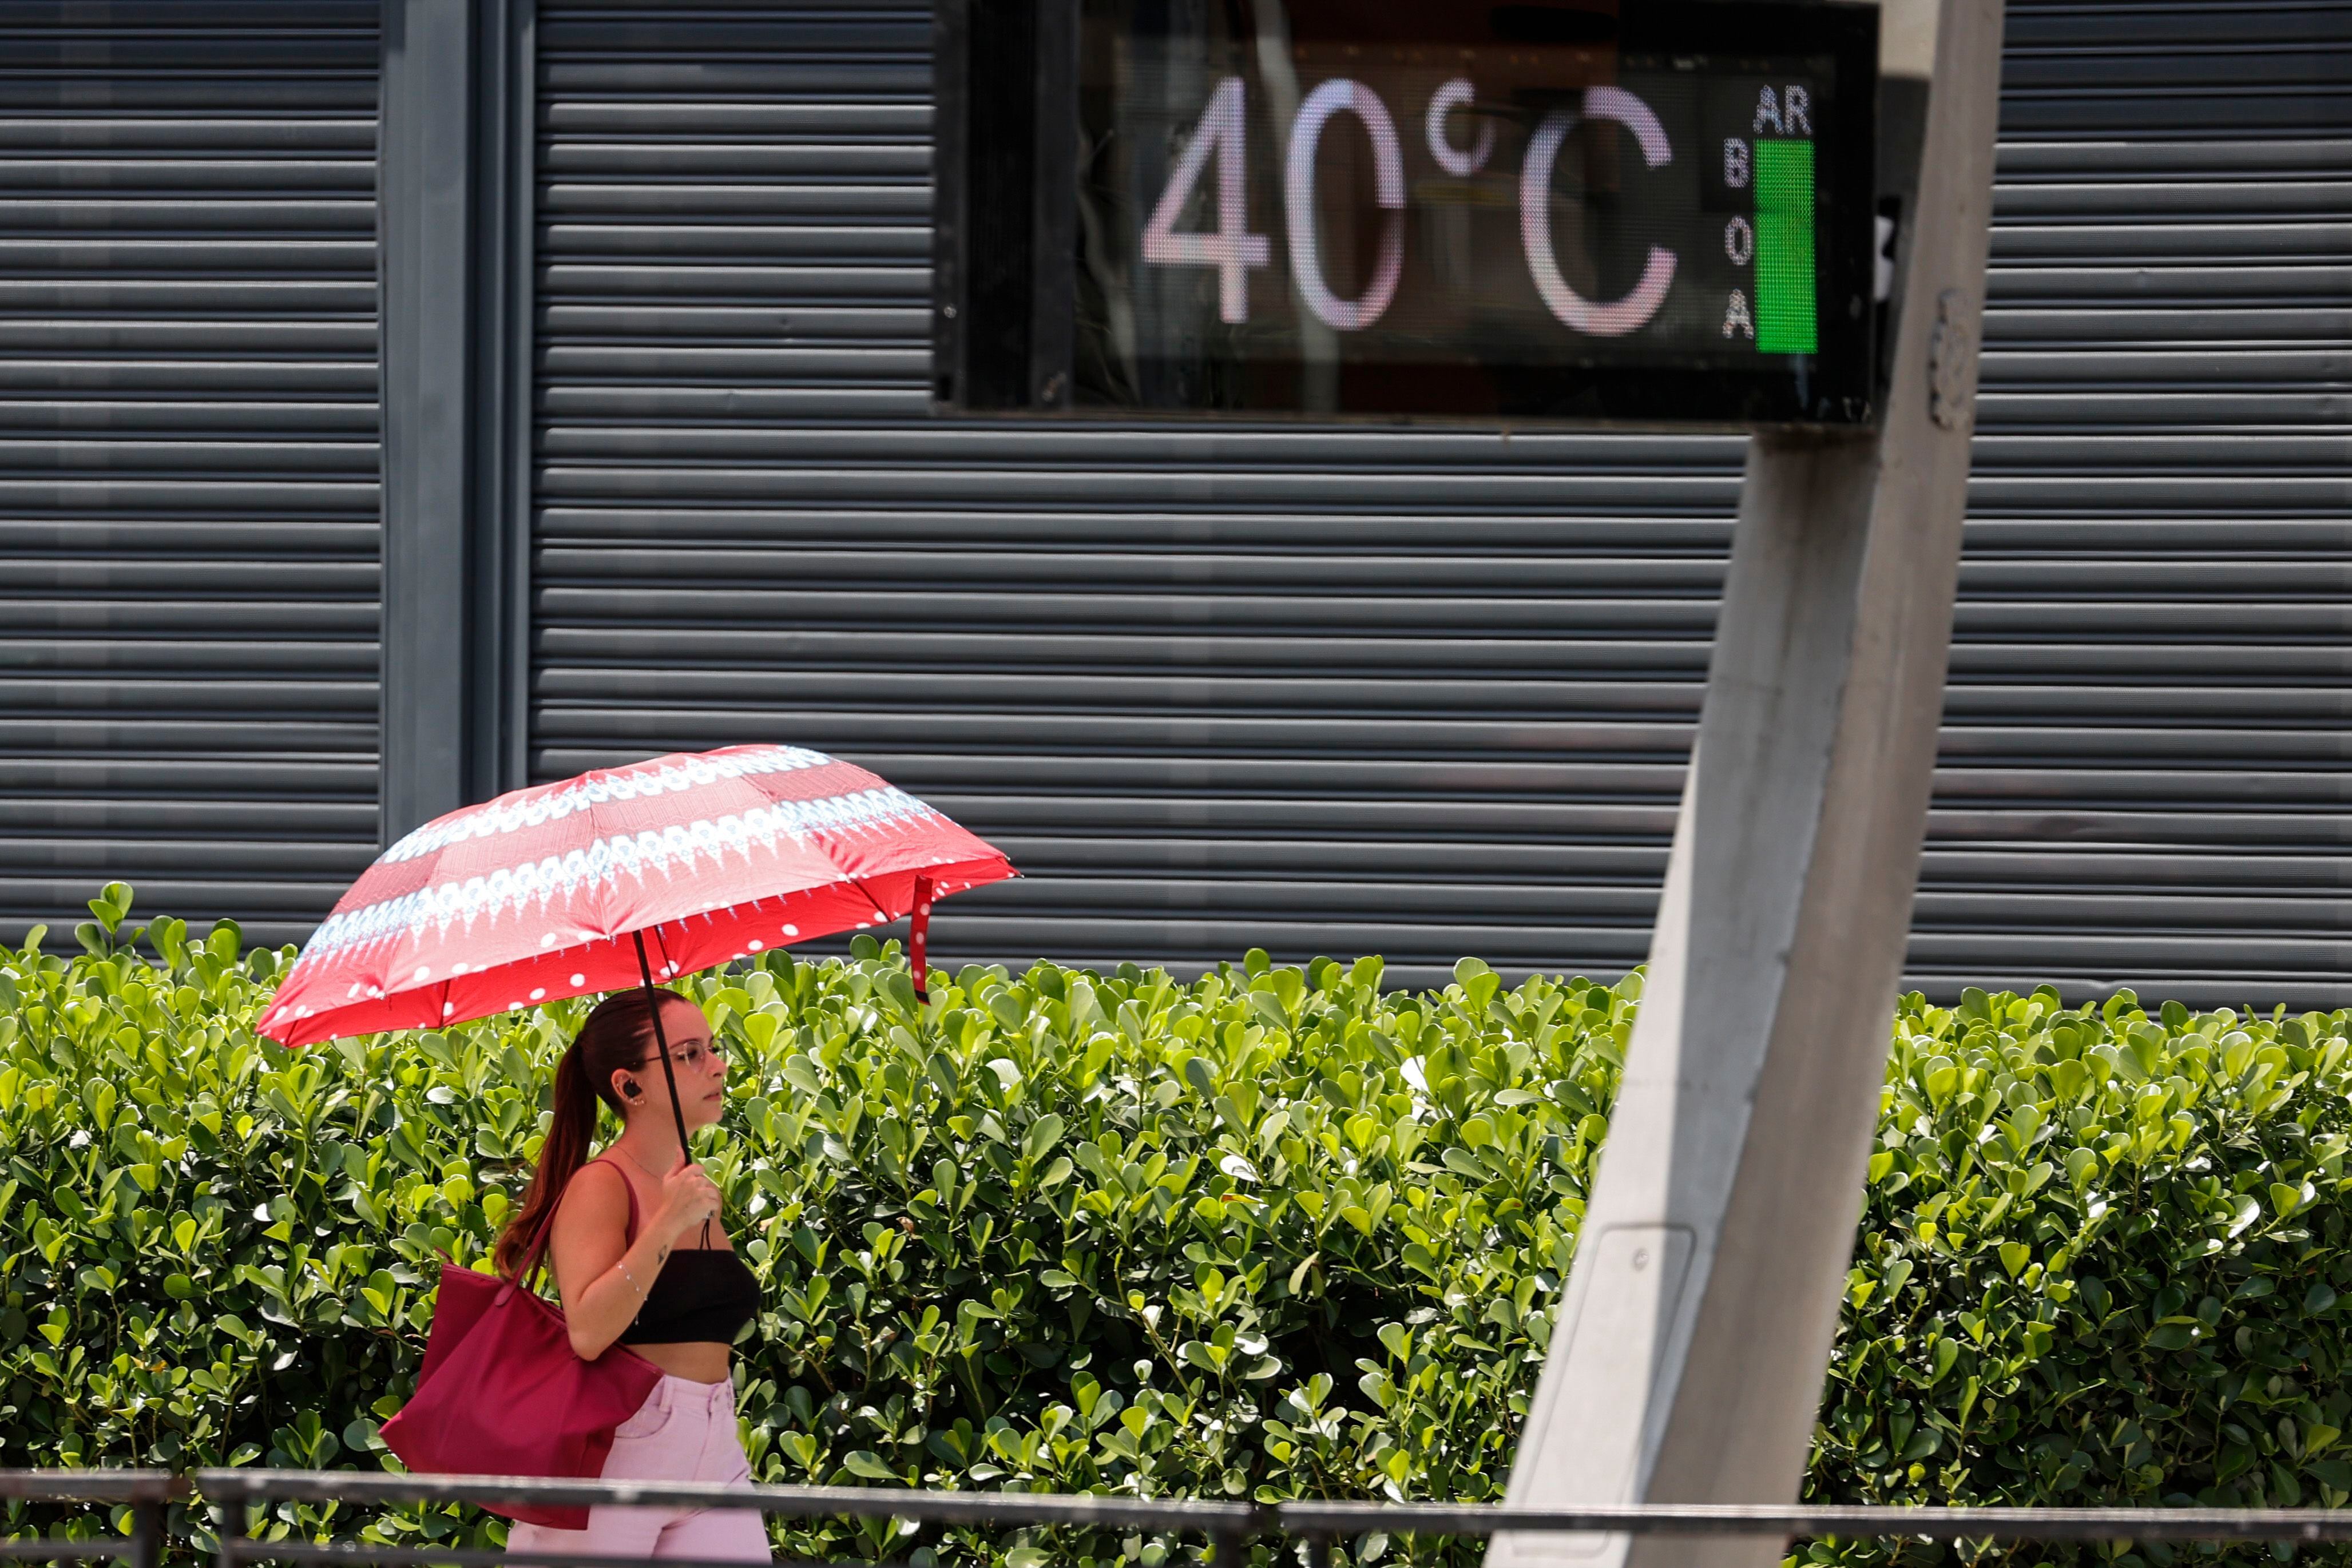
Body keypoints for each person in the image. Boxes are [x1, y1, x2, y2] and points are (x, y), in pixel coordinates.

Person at [491, 989, 769, 1561]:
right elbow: (588, 1330)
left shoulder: (690, 1185)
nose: (716, 1064)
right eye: (689, 1052)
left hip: (714, 1442)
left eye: (712, 1048)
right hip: (620, 1444)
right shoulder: (602, 1184)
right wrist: (666, 1223)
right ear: (629, 1085)